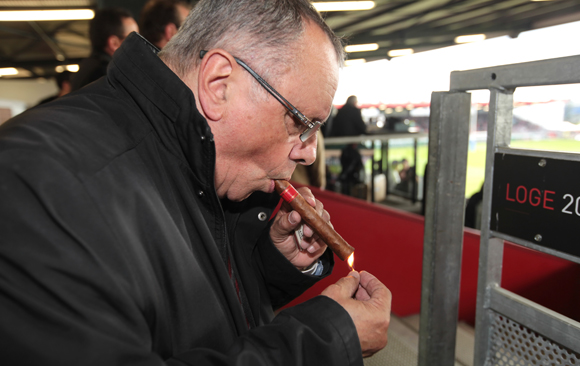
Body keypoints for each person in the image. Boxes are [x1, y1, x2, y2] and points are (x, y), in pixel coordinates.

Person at [0, 1, 391, 365]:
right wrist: (323, 340)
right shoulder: (41, 183)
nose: (309, 154)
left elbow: (184, 310)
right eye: (301, 124)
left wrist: (270, 263)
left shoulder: (197, 160)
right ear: (219, 85)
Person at [70, 7, 138, 91]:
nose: (139, 45)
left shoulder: (88, 68)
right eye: (134, 39)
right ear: (114, 43)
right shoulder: (107, 76)